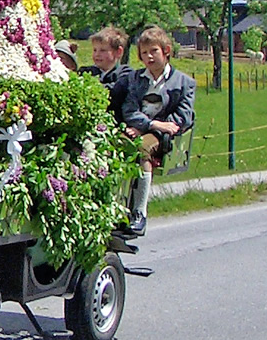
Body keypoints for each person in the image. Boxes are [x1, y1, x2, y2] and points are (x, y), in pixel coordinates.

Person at [120, 26, 195, 236]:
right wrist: (149, 124)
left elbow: (184, 116)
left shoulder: (184, 83)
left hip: (162, 136)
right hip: (143, 127)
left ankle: (139, 212)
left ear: (166, 51)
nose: (149, 57)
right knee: (115, 146)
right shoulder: (136, 79)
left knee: (142, 148)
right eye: (144, 53)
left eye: (153, 51)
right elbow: (129, 108)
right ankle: (117, 206)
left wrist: (158, 128)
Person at [77, 26, 133, 120]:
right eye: (95, 50)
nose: (97, 54)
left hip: (114, 121)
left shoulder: (126, 74)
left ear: (118, 52)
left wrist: (90, 88)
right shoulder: (86, 71)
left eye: (103, 50)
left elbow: (115, 92)